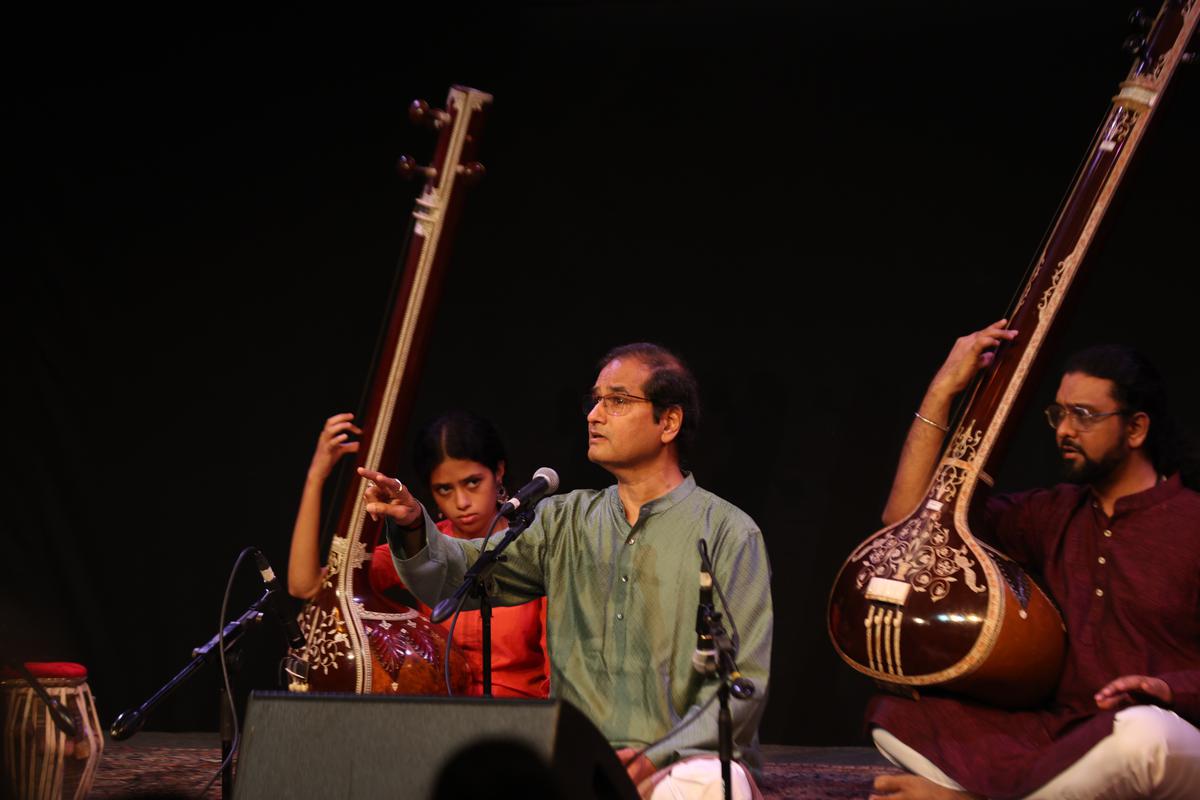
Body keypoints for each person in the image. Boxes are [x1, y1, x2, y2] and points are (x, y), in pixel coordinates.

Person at [358, 343, 773, 799]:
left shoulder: (728, 533)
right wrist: (415, 523)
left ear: (668, 422)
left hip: (683, 765)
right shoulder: (563, 521)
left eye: (617, 400)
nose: (594, 414)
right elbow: (459, 577)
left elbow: (743, 687)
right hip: (578, 759)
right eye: (593, 401)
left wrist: (656, 757)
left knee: (709, 785)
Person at [867, 319, 1200, 800]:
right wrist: (942, 389)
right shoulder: (1051, 513)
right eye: (1058, 414)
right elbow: (908, 520)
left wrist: (1169, 689)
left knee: (1144, 737)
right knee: (895, 716)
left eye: (1083, 415)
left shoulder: (1191, 521)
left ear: (1136, 428)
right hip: (1064, 735)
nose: (1064, 430)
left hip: (1169, 732)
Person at [286, 410, 550, 699]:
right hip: (438, 723)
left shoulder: (533, 549)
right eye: (445, 489)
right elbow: (306, 585)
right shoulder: (421, 547)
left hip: (520, 724)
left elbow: (556, 674)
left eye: (473, 482)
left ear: (498, 471)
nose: (461, 502)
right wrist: (316, 477)